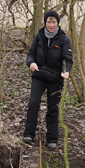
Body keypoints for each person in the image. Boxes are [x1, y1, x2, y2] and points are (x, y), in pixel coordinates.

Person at [23, 10, 72, 150]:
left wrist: (66, 71)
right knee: (33, 103)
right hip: (39, 75)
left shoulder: (64, 39)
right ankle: (28, 134)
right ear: (45, 23)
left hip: (55, 78)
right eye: (49, 22)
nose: (51, 25)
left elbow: (68, 59)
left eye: (54, 22)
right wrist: (31, 63)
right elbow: (30, 54)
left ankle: (52, 138)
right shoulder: (39, 37)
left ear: (57, 23)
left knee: (53, 107)